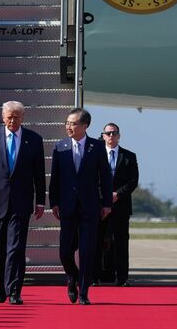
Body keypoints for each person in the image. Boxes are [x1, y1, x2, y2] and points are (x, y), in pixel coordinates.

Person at [0, 101, 46, 305]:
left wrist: (40, 201)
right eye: (9, 117)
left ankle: (14, 290)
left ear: (23, 118)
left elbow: (39, 174)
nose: (13, 120)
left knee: (16, 248)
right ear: (3, 117)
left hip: (21, 202)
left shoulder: (33, 139)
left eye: (17, 117)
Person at [49, 108, 112, 305]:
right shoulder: (60, 147)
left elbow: (105, 178)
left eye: (73, 123)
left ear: (85, 126)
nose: (69, 126)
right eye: (67, 123)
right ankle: (72, 277)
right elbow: (55, 179)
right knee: (64, 252)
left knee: (86, 251)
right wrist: (54, 203)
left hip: (89, 207)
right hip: (67, 206)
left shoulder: (97, 147)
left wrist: (107, 203)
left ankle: (84, 292)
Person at [95, 122, 138, 286]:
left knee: (121, 241)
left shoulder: (129, 156)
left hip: (121, 205)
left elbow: (133, 181)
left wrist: (118, 194)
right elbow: (92, 179)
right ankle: (95, 276)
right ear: (103, 136)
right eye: (108, 133)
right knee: (97, 241)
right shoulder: (96, 155)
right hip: (100, 205)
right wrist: (104, 196)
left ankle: (122, 278)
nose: (111, 136)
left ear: (119, 136)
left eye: (114, 133)